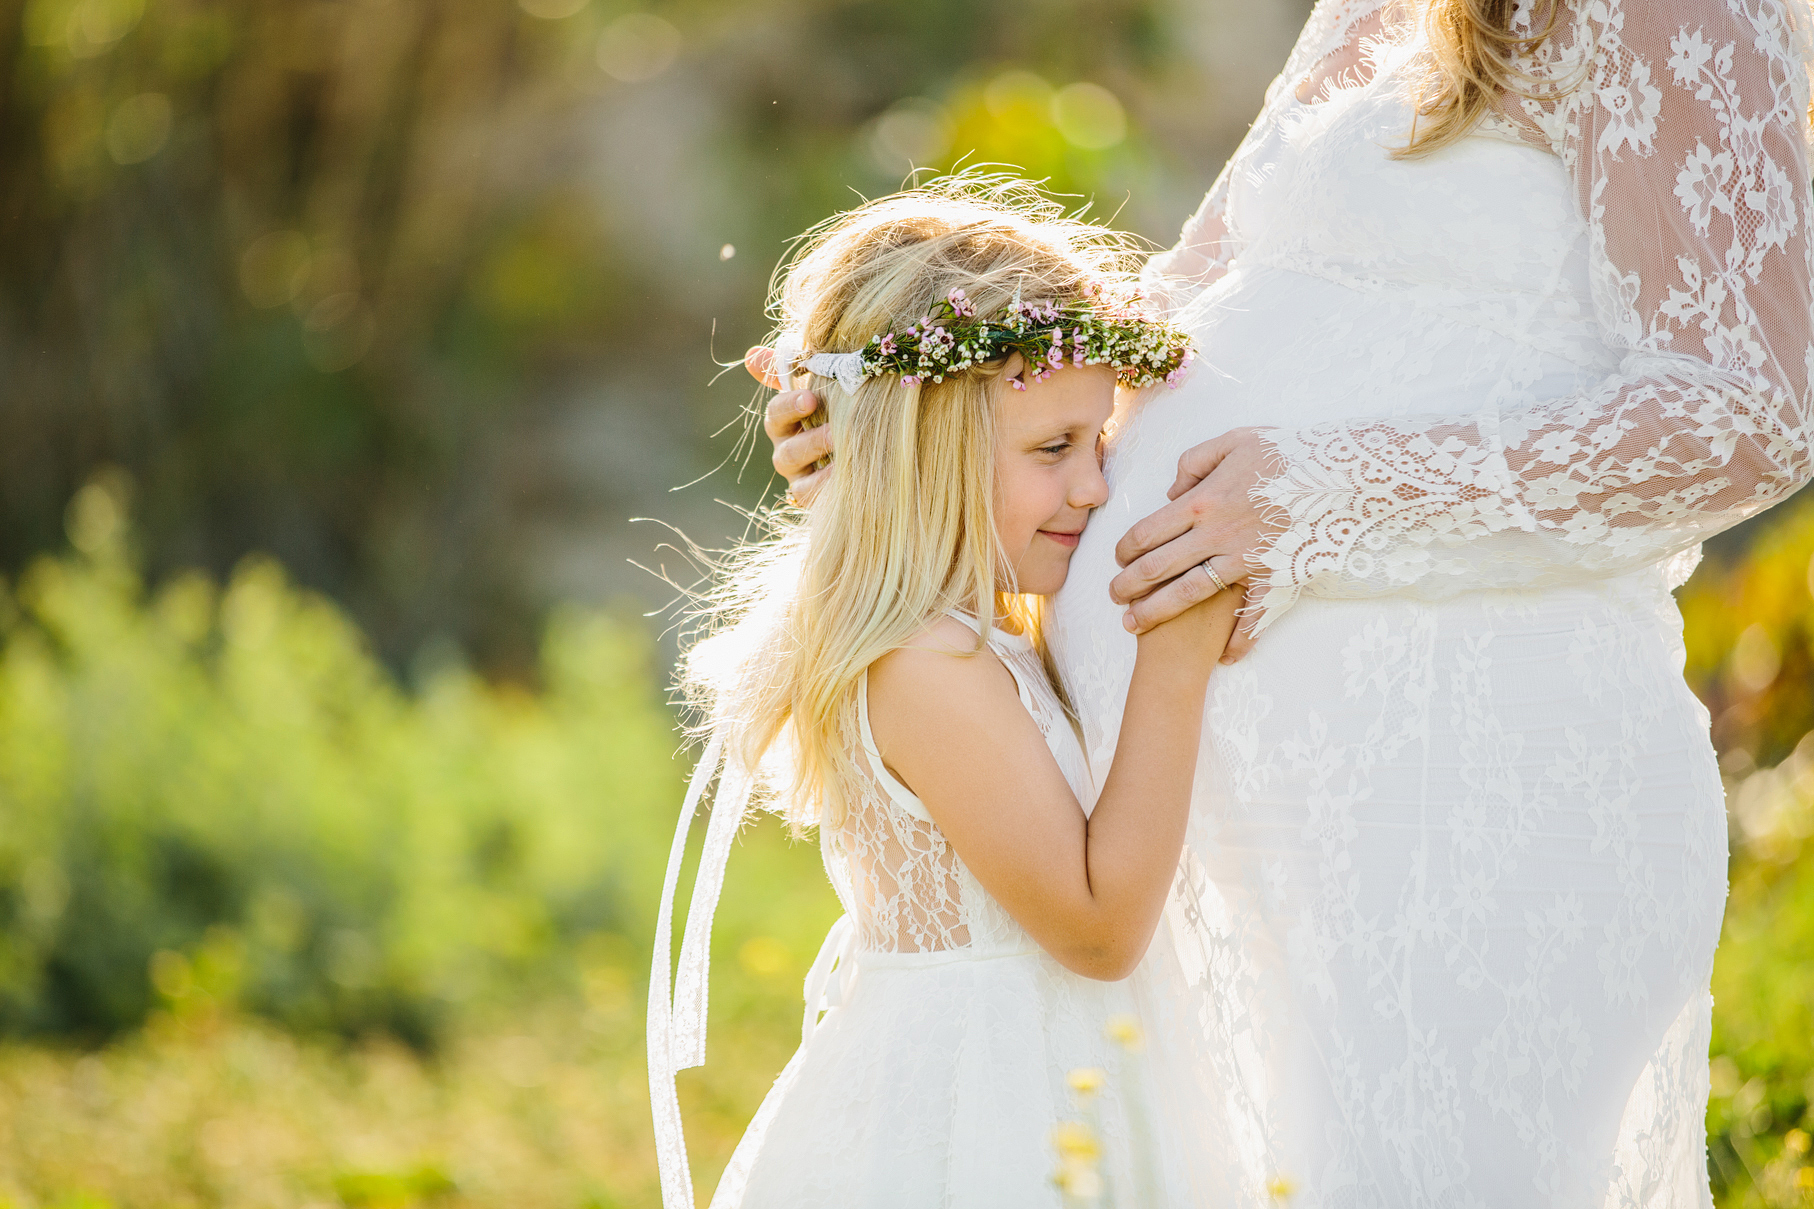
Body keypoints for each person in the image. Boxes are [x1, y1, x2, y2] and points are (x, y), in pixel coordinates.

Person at [758, 0, 1814, 1203]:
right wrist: (900, 427)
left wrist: (1322, 496)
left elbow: (1748, 414)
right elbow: (1178, 311)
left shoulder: (1679, 14)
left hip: (1453, 798)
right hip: (1231, 856)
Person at [648, 181, 1244, 1209]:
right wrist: (1174, 659)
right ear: (919, 452)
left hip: (1041, 1073)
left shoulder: (964, 632)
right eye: (1052, 449)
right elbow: (1097, 930)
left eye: (1098, 443)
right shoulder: (922, 663)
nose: (1094, 486)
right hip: (980, 1108)